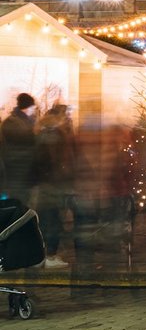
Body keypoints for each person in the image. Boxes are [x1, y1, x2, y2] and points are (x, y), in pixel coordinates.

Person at [32, 104, 74, 268]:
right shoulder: (56, 136)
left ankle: (41, 255)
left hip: (44, 185)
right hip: (54, 185)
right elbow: (59, 162)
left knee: (43, 220)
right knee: (54, 221)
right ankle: (50, 255)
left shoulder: (40, 134)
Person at [0, 93, 38, 202]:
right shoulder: (14, 123)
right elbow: (27, 145)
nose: (33, 110)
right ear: (27, 107)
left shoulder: (21, 121)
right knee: (19, 204)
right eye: (32, 107)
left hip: (23, 174)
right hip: (17, 174)